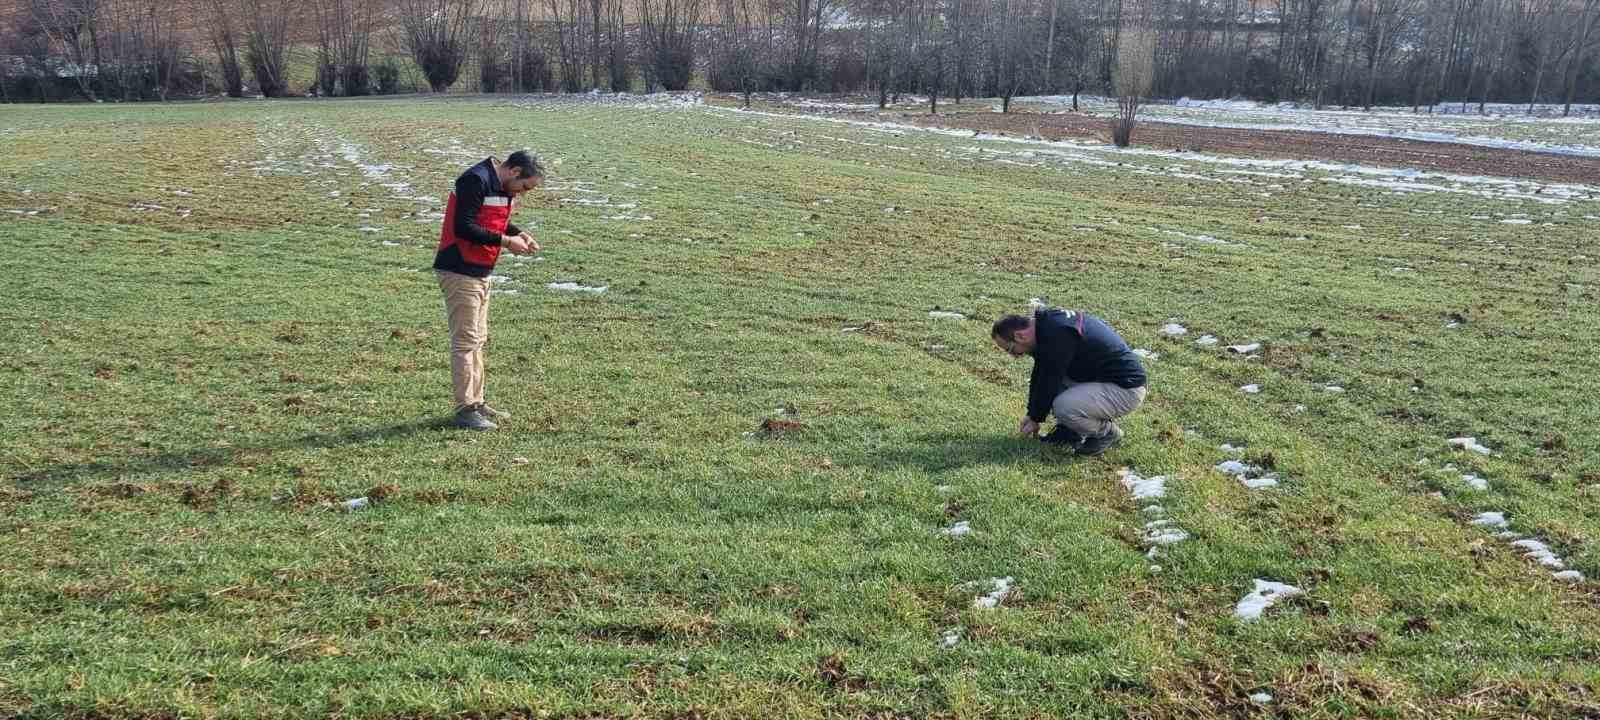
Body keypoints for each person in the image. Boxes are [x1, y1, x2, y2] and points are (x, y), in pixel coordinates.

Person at [433, 150, 544, 430]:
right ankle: (465, 409)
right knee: (466, 342)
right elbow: (464, 226)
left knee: (478, 339)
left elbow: (491, 219)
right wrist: (507, 243)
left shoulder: (500, 185)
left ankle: (477, 402)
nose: (523, 194)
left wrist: (517, 233)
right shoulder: (475, 179)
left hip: (480, 270)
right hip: (460, 269)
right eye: (525, 187)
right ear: (515, 172)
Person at [991, 307, 1148, 455]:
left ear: (1020, 336)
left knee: (1064, 406)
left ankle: (1107, 432)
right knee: (1054, 385)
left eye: (1010, 350)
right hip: (1106, 380)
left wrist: (1035, 418)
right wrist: (1032, 414)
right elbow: (1041, 373)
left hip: (1126, 389)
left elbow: (1050, 379)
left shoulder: (1057, 334)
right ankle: (1069, 431)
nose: (1014, 356)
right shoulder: (1047, 325)